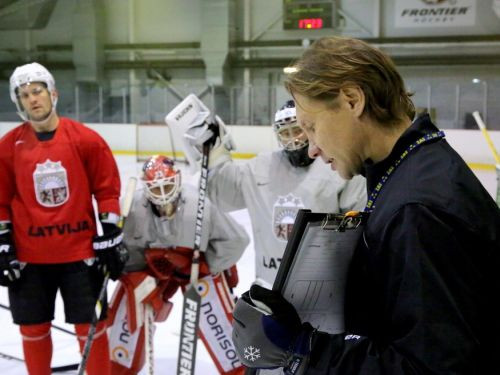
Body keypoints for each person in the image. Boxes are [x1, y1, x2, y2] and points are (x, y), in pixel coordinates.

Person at [231, 36, 500, 374]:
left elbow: (430, 367)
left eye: (312, 127)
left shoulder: (416, 208)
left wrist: (306, 348)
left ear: (352, 100)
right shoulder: (409, 172)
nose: (311, 149)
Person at [0, 62, 127, 375]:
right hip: (29, 260)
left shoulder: (85, 139)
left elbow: (107, 190)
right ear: (19, 102)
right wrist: (2, 244)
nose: (33, 99)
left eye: (38, 90)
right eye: (25, 94)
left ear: (52, 93)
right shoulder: (8, 147)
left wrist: (110, 235)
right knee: (32, 329)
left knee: (93, 330)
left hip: (80, 255)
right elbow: (0, 202)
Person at [182, 99, 367, 287]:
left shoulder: (338, 166)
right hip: (269, 286)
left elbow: (360, 229)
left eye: (297, 130)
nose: (293, 140)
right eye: (285, 133)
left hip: (323, 288)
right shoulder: (261, 168)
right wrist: (212, 151)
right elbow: (221, 192)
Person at [108, 155, 249, 375]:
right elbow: (125, 256)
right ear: (145, 188)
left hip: (195, 267)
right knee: (130, 303)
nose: (163, 195)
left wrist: (207, 264)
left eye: (167, 185)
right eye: (156, 188)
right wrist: (139, 280)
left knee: (212, 309)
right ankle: (117, 365)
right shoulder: (132, 208)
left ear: (178, 180)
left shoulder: (199, 203)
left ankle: (239, 368)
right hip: (150, 269)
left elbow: (236, 240)